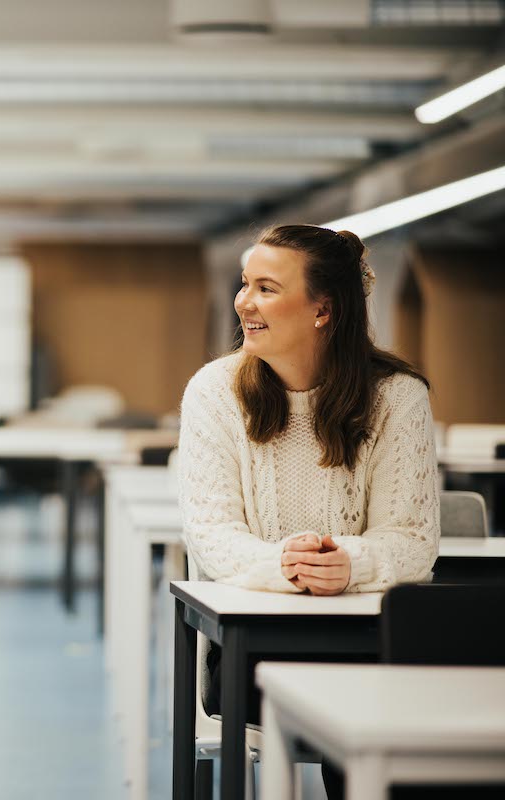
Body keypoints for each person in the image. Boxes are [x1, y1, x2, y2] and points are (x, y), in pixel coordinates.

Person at [177, 224, 440, 799]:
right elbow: (210, 534)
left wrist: (350, 561)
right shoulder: (214, 392)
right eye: (245, 284)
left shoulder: (398, 396)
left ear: (324, 309)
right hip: (255, 646)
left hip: (370, 643)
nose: (244, 301)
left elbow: (413, 541)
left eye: (266, 288)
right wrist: (285, 565)